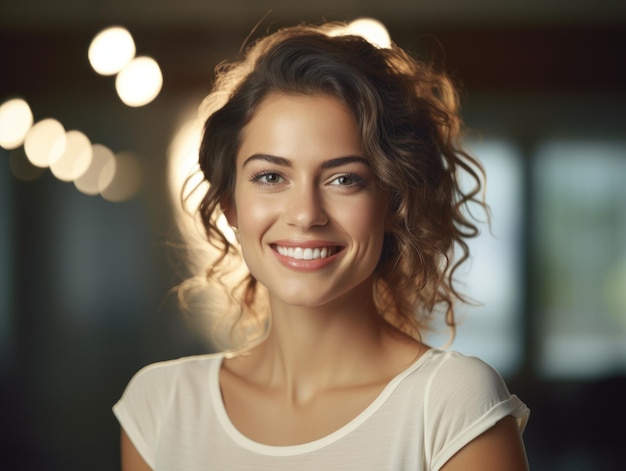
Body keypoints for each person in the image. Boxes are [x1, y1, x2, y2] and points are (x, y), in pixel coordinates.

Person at [113, 21, 530, 470]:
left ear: (392, 202)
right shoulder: (159, 408)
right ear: (230, 205)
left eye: (344, 179)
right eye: (271, 177)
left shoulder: (452, 405)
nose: (306, 214)